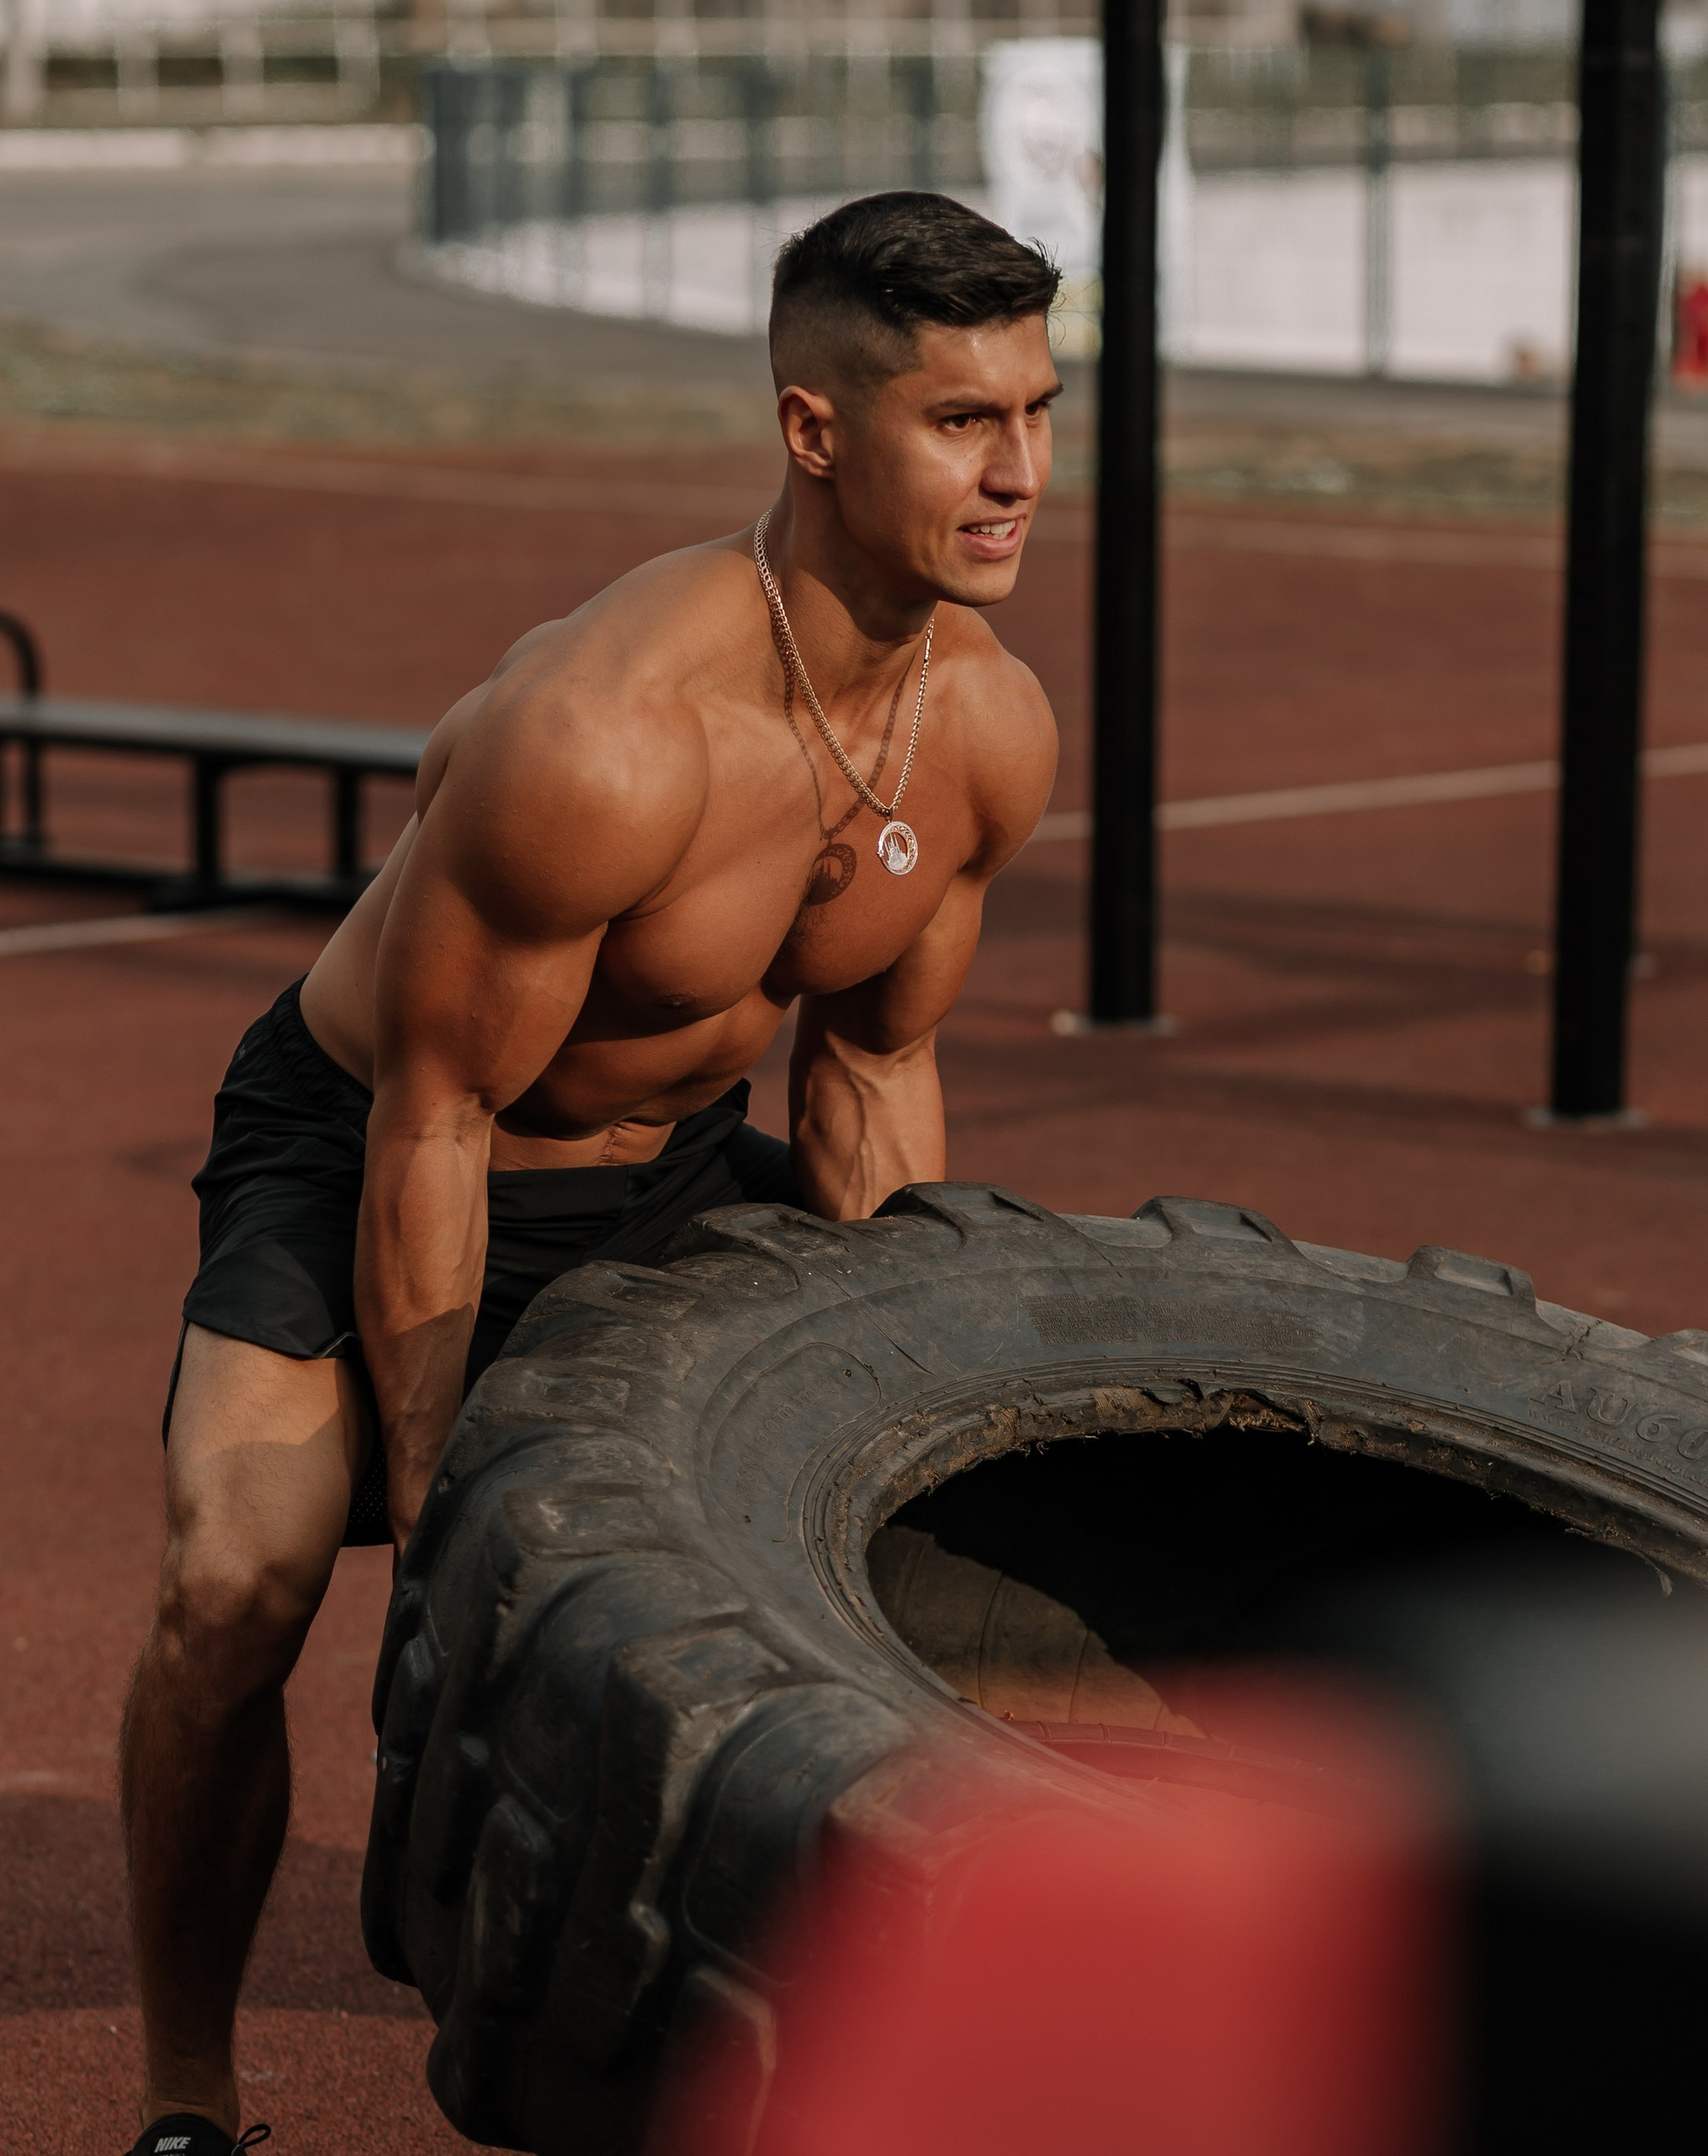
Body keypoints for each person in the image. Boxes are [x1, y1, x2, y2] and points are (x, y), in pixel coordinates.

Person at [118, 189, 1064, 2155]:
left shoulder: (984, 729)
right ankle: (190, 2097)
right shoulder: (605, 739)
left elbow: (872, 1077)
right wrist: (447, 1545)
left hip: (673, 1176)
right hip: (378, 1145)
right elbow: (431, 1129)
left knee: (919, 1579)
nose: (1016, 472)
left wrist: (886, 1425)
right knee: (239, 1579)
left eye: (1035, 414)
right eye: (961, 422)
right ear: (814, 433)